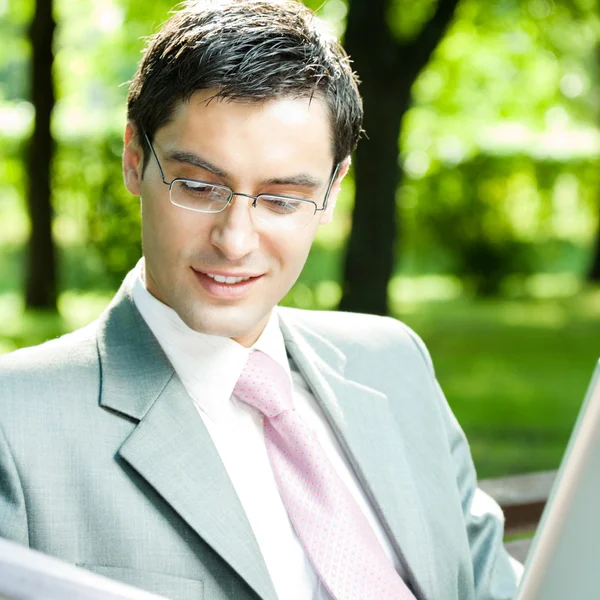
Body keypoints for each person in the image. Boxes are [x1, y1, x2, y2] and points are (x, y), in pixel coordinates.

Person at [0, 1, 522, 598]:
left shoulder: (395, 362)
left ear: (333, 189)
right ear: (134, 158)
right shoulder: (14, 424)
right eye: (198, 186)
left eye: (282, 199)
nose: (235, 241)